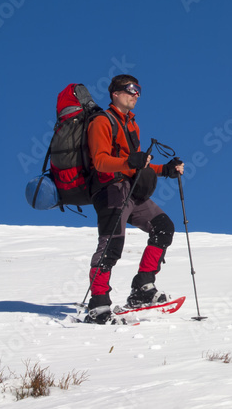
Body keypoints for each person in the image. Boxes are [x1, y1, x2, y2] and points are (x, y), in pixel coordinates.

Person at [85, 74, 184, 324]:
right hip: (110, 191)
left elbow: (137, 166)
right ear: (115, 93)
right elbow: (100, 161)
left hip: (131, 189)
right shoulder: (101, 121)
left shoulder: (131, 124)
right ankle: (98, 305)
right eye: (130, 90)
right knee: (111, 247)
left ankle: (142, 288)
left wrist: (165, 170)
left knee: (164, 227)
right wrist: (131, 161)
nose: (135, 94)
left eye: (138, 90)